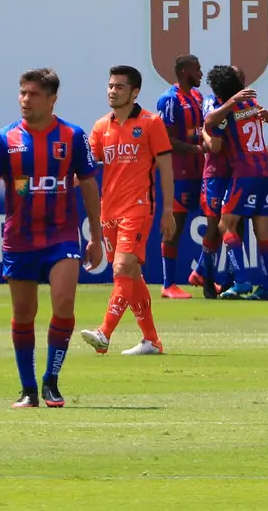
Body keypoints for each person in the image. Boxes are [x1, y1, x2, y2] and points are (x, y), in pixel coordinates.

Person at [0, 68, 102, 408]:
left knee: (64, 303)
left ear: (52, 99)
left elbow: (89, 185)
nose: (25, 100)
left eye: (33, 94)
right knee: (24, 313)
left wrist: (96, 235)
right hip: (20, 240)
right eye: (22, 93)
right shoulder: (4, 138)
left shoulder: (73, 136)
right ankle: (28, 389)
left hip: (62, 237)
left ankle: (51, 381)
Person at [79, 65, 175, 355]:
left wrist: (168, 210)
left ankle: (104, 333)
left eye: (119, 87)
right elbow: (85, 169)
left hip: (138, 208)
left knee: (121, 268)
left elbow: (166, 170)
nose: (112, 91)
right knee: (131, 275)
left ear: (135, 92)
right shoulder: (101, 126)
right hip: (109, 211)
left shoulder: (151, 123)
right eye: (110, 86)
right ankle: (151, 340)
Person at [202, 65, 268, 301]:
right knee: (262, 232)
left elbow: (210, 123)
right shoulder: (251, 104)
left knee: (225, 225)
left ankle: (242, 280)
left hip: (244, 174)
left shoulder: (226, 112)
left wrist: (227, 104)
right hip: (264, 172)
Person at [190, 81, 248, 299]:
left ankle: (227, 280)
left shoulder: (243, 107)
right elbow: (214, 143)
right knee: (215, 226)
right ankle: (207, 278)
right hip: (215, 174)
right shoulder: (213, 104)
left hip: (236, 173)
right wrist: (205, 132)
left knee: (236, 225)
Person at [156, 55, 204, 299]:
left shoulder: (197, 96)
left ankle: (203, 273)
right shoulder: (169, 99)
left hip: (202, 171)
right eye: (197, 69)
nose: (201, 74)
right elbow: (164, 138)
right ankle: (168, 284)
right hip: (179, 173)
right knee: (175, 227)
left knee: (219, 220)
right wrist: (194, 149)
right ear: (185, 71)